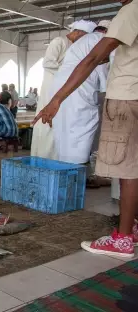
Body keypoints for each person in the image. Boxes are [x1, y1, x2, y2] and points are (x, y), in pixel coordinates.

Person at [32, 0, 138, 258]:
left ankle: (123, 239)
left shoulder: (132, 9)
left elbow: (92, 59)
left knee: (127, 170)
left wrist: (56, 99)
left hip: (127, 97)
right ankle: (132, 228)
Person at [31, 20, 97, 159]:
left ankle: (56, 159)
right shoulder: (59, 41)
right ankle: (43, 159)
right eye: (84, 36)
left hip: (64, 87)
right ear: (77, 32)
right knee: (47, 124)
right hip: (52, 86)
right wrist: (70, 71)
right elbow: (48, 63)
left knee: (59, 123)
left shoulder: (75, 46)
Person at [51, 22, 110, 169]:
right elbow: (105, 78)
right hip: (80, 87)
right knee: (82, 128)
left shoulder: (82, 43)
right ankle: (77, 170)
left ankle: (64, 168)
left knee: (64, 129)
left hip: (61, 87)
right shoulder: (103, 41)